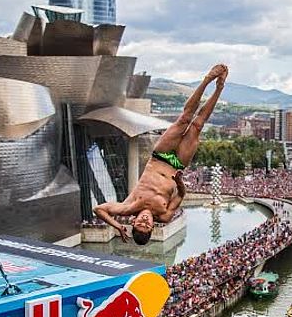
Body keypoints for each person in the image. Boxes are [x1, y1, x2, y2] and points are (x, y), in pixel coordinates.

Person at [93, 63, 228, 244]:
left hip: (160, 157)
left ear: (133, 221)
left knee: (185, 118)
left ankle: (208, 79)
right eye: (147, 226)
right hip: (178, 164)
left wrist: (116, 225)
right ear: (152, 227)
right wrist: (179, 182)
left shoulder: (128, 207)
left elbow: (99, 209)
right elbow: (180, 196)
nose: (144, 221)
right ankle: (219, 88)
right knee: (197, 125)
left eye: (139, 223)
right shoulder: (163, 216)